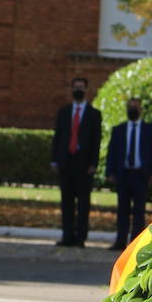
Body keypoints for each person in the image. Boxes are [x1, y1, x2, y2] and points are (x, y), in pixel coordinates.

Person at [104, 97, 152, 250]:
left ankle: (135, 244)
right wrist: (110, 171)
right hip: (123, 175)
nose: (133, 109)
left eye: (135, 107)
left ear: (140, 109)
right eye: (130, 107)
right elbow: (112, 152)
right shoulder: (119, 130)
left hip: (141, 175)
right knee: (122, 209)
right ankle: (120, 241)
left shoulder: (149, 130)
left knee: (139, 211)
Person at [51, 76, 102, 247]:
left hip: (84, 164)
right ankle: (67, 235)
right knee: (66, 202)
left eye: (81, 87)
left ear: (87, 90)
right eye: (76, 87)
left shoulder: (94, 114)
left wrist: (93, 163)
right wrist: (54, 160)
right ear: (71, 89)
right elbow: (57, 138)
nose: (78, 89)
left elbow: (96, 141)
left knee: (83, 203)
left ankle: (81, 237)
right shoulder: (63, 112)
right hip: (66, 163)